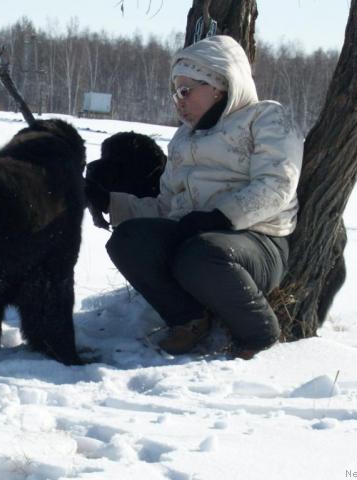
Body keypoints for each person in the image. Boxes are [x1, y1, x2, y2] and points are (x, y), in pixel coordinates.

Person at [85, 35, 303, 359]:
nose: (178, 101)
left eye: (185, 91)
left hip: (257, 240)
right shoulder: (183, 139)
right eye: (175, 92)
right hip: (196, 237)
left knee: (200, 254)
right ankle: (188, 319)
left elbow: (276, 185)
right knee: (128, 240)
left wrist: (220, 218)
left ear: (219, 84)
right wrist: (108, 202)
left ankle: (257, 332)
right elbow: (165, 206)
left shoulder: (266, 118)